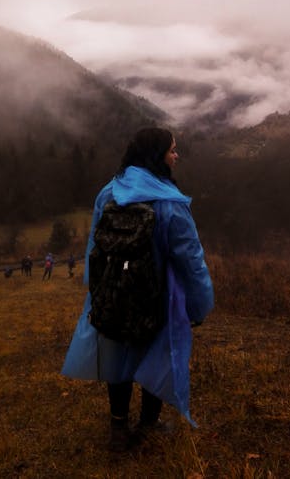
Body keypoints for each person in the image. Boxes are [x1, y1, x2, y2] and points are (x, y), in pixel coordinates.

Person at [62, 127, 214, 452]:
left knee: (118, 357)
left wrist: (95, 290)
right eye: (172, 150)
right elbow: (191, 260)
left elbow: (94, 245)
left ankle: (118, 428)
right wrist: (200, 305)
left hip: (112, 294)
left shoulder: (108, 192)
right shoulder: (170, 203)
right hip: (156, 298)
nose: (177, 155)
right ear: (156, 155)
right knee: (155, 356)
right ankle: (147, 424)